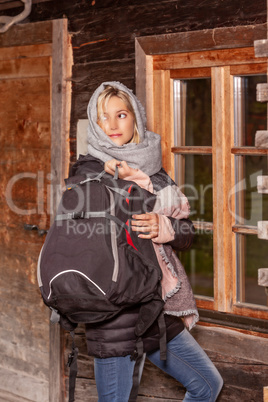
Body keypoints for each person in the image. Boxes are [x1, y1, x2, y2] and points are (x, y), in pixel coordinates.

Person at [69, 81, 223, 401]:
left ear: (135, 118)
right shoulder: (89, 175)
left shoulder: (156, 174)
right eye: (102, 118)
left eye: (121, 115)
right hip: (115, 318)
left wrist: (164, 226)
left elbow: (186, 233)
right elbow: (83, 249)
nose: (112, 125)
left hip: (157, 313)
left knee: (208, 385)